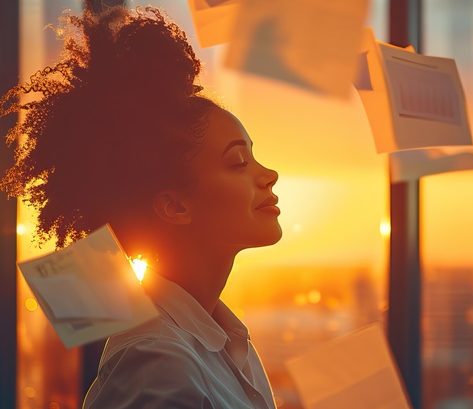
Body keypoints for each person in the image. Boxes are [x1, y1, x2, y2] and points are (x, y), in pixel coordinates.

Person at [0, 6, 281, 409]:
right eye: (238, 162)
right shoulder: (158, 365)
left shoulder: (222, 341)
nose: (268, 174)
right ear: (174, 206)